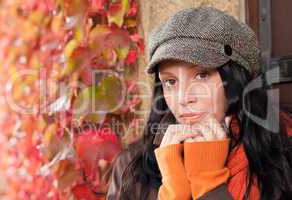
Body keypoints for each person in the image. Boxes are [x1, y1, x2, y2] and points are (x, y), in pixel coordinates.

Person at [105, 6, 292, 200]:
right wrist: (173, 193)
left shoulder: (282, 156)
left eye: (201, 75)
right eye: (170, 82)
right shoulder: (132, 166)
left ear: (236, 80)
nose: (183, 98)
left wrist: (210, 185)